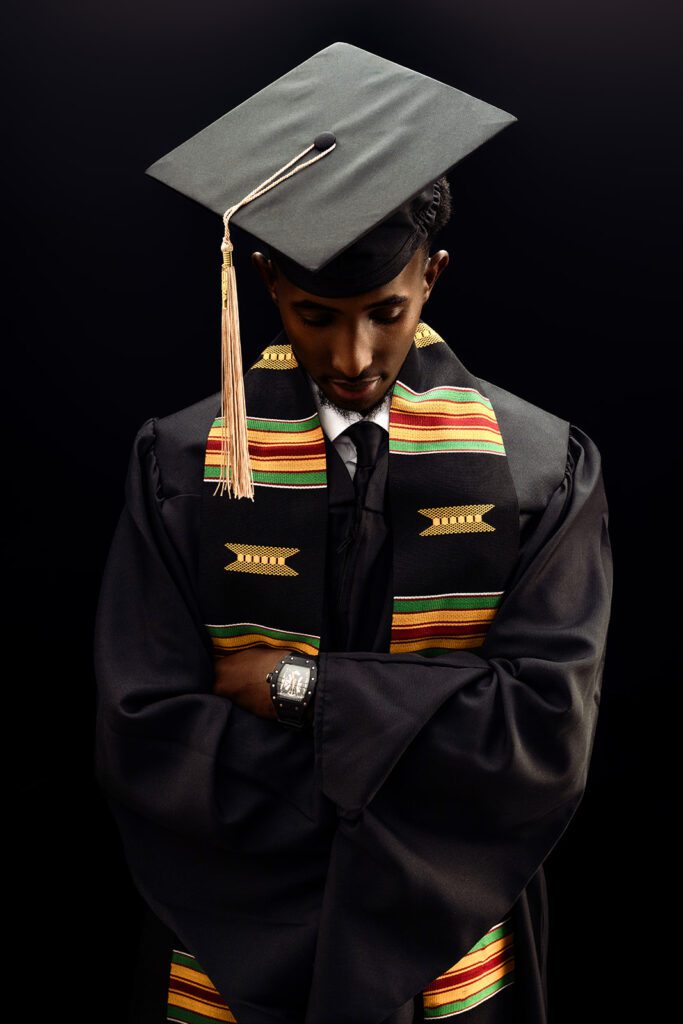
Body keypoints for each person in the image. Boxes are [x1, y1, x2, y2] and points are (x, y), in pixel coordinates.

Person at [93, 42, 613, 1024]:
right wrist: (406, 742)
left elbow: (543, 732)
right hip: (240, 923)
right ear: (265, 282)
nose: (354, 355)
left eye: (386, 311)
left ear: (433, 275)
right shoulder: (181, 464)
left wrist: (302, 690)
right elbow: (145, 729)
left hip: (444, 930)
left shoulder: (539, 469)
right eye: (315, 315)